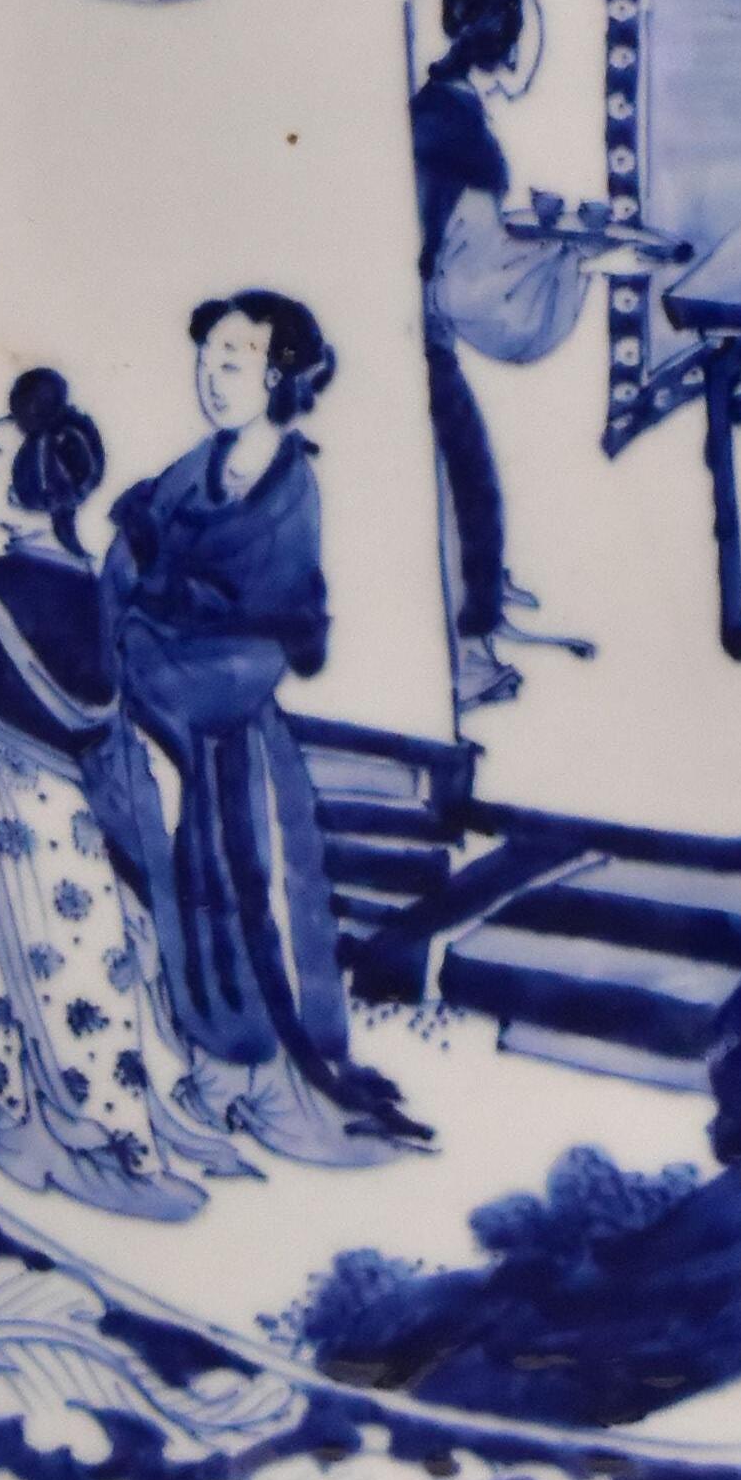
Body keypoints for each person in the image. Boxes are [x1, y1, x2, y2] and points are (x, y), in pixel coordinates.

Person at [101, 292, 428, 1167]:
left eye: (234, 360)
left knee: (263, 904)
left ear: (278, 375)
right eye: (207, 357)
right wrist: (141, 637)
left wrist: (171, 642)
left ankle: (279, 1076)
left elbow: (274, 624)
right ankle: (218, 1068)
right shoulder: (188, 471)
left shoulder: (291, 489)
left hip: (235, 729)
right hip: (167, 719)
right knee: (190, 899)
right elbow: (124, 568)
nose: (213, 376)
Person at [0, 371, 220, 1220]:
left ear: (27, 490)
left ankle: (42, 1120)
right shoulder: (86, 583)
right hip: (62, 803)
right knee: (81, 960)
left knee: (16, 960)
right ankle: (110, 1133)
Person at [408, 0, 616, 714]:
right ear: (506, 48)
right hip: (419, 326)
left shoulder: (436, 107)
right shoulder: (462, 136)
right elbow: (477, 284)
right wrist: (570, 260)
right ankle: (470, 647)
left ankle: (483, 593)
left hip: (420, 309)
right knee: (467, 476)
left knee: (467, 472)